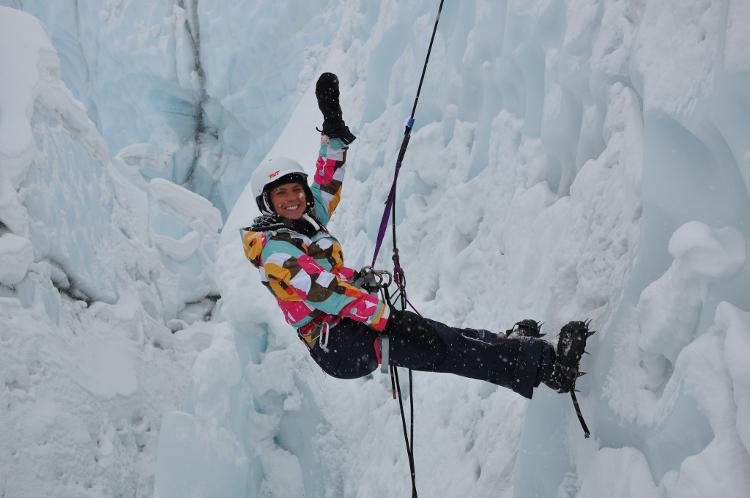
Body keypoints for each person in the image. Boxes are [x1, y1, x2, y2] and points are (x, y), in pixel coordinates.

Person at [241, 73, 588, 399]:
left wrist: (332, 130)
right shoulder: (275, 251)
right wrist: (387, 317)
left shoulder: (301, 221)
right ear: (267, 203)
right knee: (442, 347)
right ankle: (548, 367)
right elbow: (325, 294)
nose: (293, 198)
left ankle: (511, 348)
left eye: (295, 190)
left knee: (442, 339)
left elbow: (326, 187)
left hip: (349, 324)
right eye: (281, 194)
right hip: (341, 343)